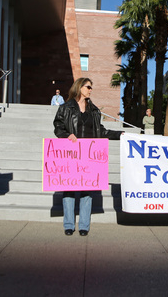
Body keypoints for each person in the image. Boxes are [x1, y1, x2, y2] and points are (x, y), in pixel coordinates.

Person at [53, 78, 123, 236]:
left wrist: (120, 134)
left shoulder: (94, 110)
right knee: (69, 190)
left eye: (91, 87)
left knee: (87, 190)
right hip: (71, 153)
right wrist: (66, 135)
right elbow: (58, 126)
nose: (91, 90)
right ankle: (69, 225)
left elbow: (101, 131)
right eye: (88, 87)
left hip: (89, 155)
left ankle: (84, 225)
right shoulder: (66, 108)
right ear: (79, 88)